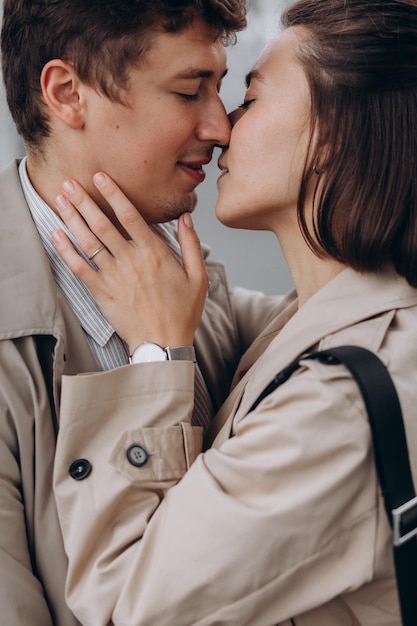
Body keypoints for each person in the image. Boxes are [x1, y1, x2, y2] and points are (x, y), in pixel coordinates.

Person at [51, 0, 417, 624]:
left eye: (250, 97)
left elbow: (126, 609)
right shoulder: (329, 317)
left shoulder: (339, 404)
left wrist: (156, 355)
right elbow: (237, 320)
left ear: (333, 133)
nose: (222, 127)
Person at [0, 1, 286, 624]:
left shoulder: (185, 286)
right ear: (68, 93)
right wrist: (159, 357)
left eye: (223, 86)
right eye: (190, 90)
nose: (220, 126)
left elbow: (350, 322)